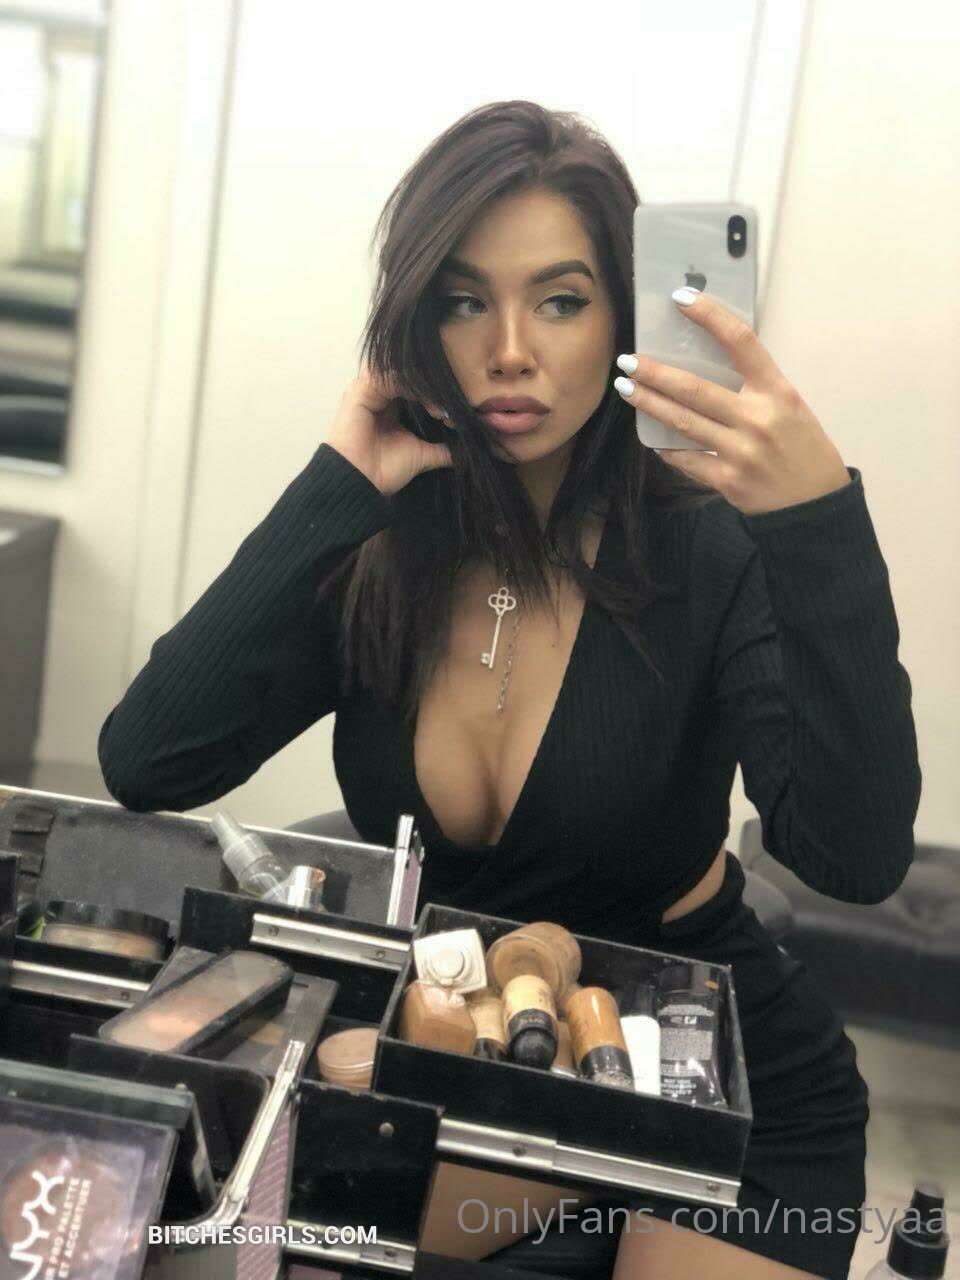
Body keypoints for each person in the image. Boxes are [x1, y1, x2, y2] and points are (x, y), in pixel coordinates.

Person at [97, 101, 921, 1279]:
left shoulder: (715, 546)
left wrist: (818, 522)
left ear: (623, 313)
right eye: (463, 300)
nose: (510, 350)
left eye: (562, 300)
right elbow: (149, 760)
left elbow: (852, 854)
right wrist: (337, 478)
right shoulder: (382, 538)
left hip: (705, 1073)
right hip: (467, 1054)